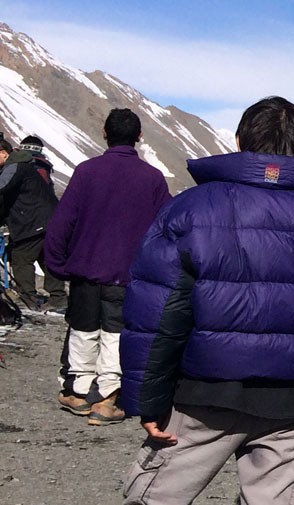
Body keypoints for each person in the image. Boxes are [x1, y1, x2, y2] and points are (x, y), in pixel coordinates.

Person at [118, 97, 294, 503]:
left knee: (158, 495)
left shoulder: (189, 210)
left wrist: (148, 398)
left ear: (239, 140)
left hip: (202, 395)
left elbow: (157, 313)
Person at [43, 108, 172, 426]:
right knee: (115, 334)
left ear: (105, 132)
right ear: (139, 136)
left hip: (85, 269)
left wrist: (57, 263)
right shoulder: (152, 178)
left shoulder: (87, 172)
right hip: (127, 274)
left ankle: (77, 390)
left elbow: (62, 222)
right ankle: (106, 397)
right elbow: (166, 226)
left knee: (83, 330)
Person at [0, 134, 67, 311]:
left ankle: (28, 297)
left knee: (21, 257)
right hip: (47, 218)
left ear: (3, 153)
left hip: (31, 221)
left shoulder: (15, 166)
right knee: (47, 258)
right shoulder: (28, 166)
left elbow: (2, 187)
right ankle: (58, 297)